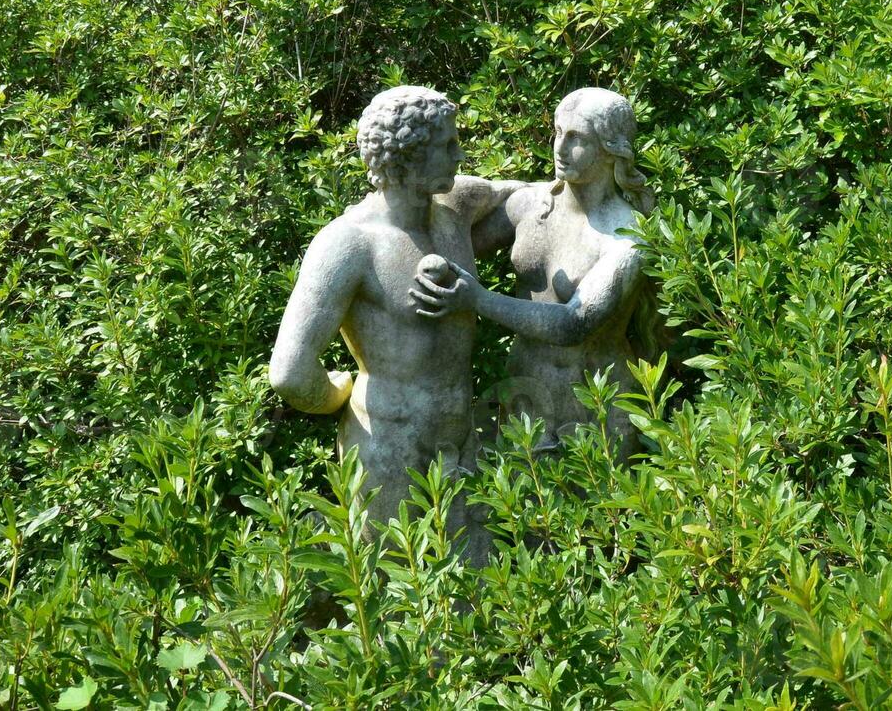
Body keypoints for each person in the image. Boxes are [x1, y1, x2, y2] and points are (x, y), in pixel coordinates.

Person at [269, 86, 519, 531]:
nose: (460, 155)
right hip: (388, 448)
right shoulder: (349, 243)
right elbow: (290, 372)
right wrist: (336, 395)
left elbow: (524, 196)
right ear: (409, 156)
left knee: (474, 588)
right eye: (447, 145)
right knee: (397, 585)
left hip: (461, 443)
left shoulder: (455, 206)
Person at [410, 87, 655, 454]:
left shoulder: (627, 237)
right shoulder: (532, 205)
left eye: (577, 139)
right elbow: (452, 225)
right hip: (523, 394)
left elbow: (574, 323)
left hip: (595, 406)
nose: (559, 148)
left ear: (610, 149)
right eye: (557, 132)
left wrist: (476, 299)